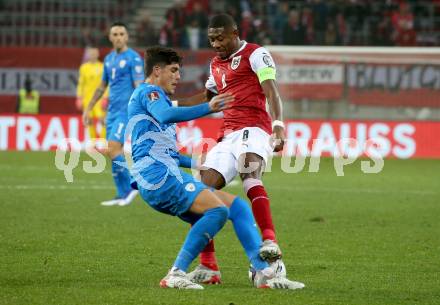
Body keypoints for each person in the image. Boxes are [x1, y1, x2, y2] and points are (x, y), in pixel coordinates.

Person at [127, 45, 304, 290]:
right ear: (157, 70)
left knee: (238, 208)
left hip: (165, 174)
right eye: (174, 70)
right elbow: (167, 115)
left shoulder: (156, 99)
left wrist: (195, 162)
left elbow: (166, 152)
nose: (179, 77)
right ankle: (175, 273)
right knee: (218, 211)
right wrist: (208, 107)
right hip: (159, 178)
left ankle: (263, 274)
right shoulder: (149, 94)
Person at [177, 13, 290, 284]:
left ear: (234, 32)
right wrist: (169, 106)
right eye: (212, 39)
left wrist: (278, 125)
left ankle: (269, 240)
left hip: (254, 128)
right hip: (227, 134)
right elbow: (207, 98)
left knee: (249, 172)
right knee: (201, 191)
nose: (216, 43)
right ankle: (209, 266)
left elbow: (271, 90)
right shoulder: (216, 64)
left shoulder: (255, 53)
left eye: (220, 37)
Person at [83, 22, 144, 207]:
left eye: (121, 34)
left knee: (113, 148)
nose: (118, 37)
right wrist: (88, 108)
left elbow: (139, 85)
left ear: (126, 37)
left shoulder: (133, 58)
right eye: (115, 34)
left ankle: (133, 185)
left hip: (125, 111)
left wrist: (143, 109)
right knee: (111, 151)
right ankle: (121, 193)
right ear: (110, 37)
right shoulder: (109, 59)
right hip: (111, 112)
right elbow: (102, 86)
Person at [76, 47, 107, 140]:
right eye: (91, 53)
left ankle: (102, 141)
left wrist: (106, 97)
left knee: (103, 120)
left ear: (98, 54)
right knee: (88, 120)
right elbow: (81, 83)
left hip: (99, 98)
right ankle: (93, 141)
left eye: (95, 53)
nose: (93, 55)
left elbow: (107, 84)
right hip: (87, 99)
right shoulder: (84, 68)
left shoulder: (103, 67)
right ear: (88, 54)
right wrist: (79, 97)